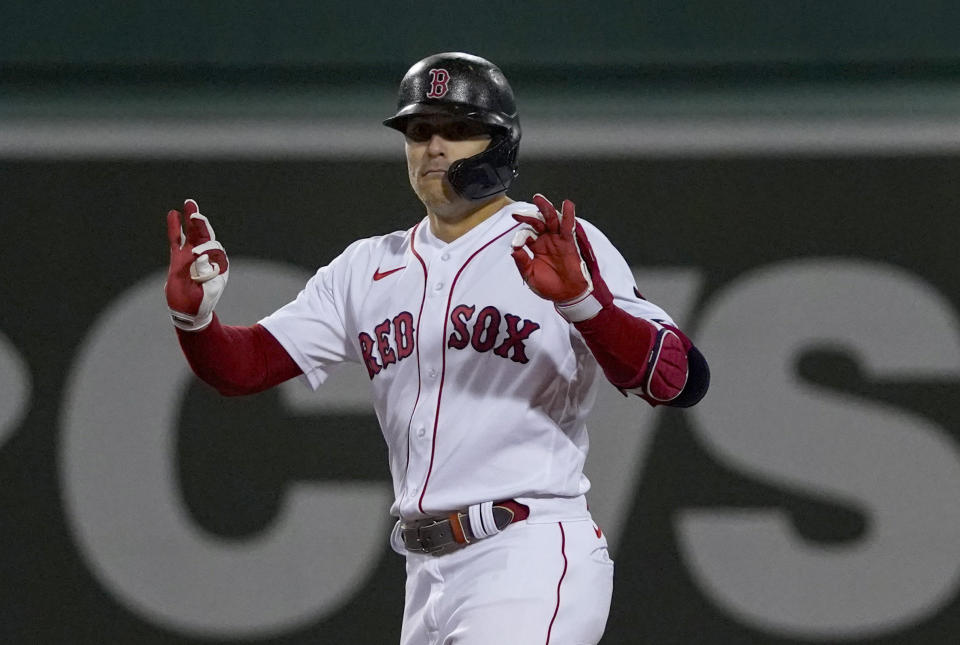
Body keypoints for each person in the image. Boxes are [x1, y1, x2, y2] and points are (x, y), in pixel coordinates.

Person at [165, 51, 709, 645]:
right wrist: (195, 321)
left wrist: (585, 304)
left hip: (526, 553)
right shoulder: (368, 267)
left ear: (500, 145)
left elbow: (680, 379)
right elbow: (244, 367)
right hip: (425, 574)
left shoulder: (555, 243)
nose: (434, 147)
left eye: (458, 130)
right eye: (420, 131)